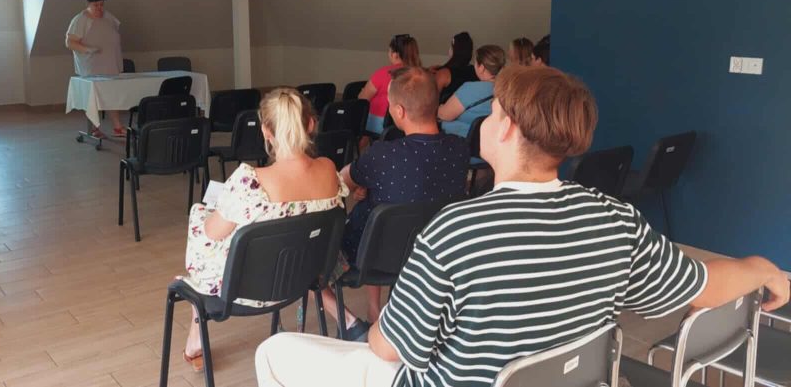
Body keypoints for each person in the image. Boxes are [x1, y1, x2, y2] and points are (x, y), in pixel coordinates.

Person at [255, 66, 789, 387]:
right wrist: (762, 267)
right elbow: (704, 284)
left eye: (492, 113)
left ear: (507, 127)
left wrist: (375, 328)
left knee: (274, 353)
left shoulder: (455, 232)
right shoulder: (617, 219)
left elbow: (390, 349)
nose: (485, 121)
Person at [179, 88, 347, 372]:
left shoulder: (250, 181)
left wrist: (203, 213)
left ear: (266, 131)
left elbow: (210, 235)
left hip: (243, 288)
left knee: (202, 222)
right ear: (311, 124)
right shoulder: (329, 170)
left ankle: (196, 318)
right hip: (303, 277)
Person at [320, 67, 469, 340]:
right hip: (434, 254)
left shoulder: (383, 155)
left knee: (314, 254)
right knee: (382, 206)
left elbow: (340, 184)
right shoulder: (459, 149)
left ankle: (351, 323)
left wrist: (364, 182)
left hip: (371, 255)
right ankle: (377, 310)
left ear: (399, 111)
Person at [65, 0, 125, 137]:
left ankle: (117, 127)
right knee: (93, 98)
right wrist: (88, 49)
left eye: (102, 4)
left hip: (110, 64)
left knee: (112, 95)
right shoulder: (80, 19)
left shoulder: (108, 17)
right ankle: (93, 128)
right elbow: (70, 42)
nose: (99, 8)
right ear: (88, 4)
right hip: (91, 66)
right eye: (96, 5)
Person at [437, 44, 506, 137]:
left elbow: (444, 115)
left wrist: (440, 107)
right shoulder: (507, 90)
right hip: (490, 140)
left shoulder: (470, 89)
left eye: (475, 63)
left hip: (463, 141)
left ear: (481, 68)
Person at [359, 34, 421, 135]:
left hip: (382, 123)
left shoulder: (384, 73)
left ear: (395, 54)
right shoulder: (420, 74)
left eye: (389, 51)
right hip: (409, 122)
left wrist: (363, 92)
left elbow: (362, 99)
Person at [432, 31, 476, 103]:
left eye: (451, 47)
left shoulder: (443, 73)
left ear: (454, 50)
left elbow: (431, 101)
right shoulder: (476, 71)